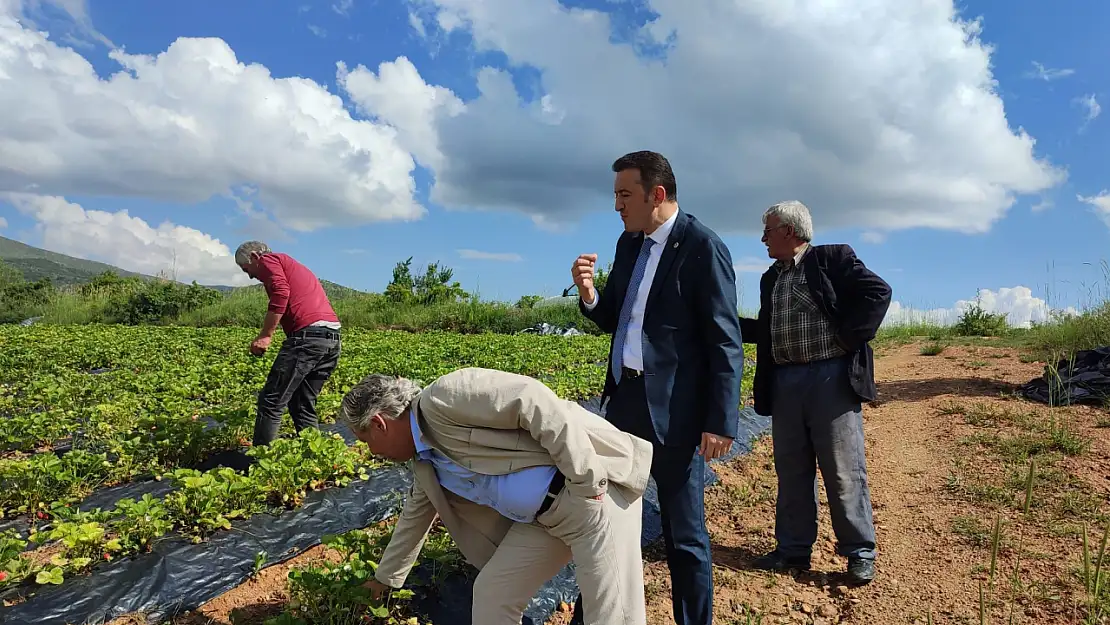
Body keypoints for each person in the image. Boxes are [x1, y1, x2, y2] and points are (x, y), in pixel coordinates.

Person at [571, 150, 745, 625]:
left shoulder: (702, 246)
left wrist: (719, 420)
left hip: (675, 414)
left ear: (658, 194)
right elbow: (612, 317)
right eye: (615, 196)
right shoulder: (629, 243)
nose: (617, 206)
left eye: (625, 195)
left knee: (683, 535)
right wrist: (588, 293)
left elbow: (724, 342)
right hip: (624, 404)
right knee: (604, 522)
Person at [340, 368, 652, 625]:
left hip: (591, 494)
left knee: (613, 617)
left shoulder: (444, 398)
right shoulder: (424, 462)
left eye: (366, 440)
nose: (373, 453)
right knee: (493, 594)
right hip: (544, 520)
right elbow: (414, 519)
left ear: (380, 424)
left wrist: (587, 482)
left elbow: (533, 400)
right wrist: (384, 580)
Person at [738, 200, 890, 586]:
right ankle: (793, 550)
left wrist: (845, 339)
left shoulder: (831, 259)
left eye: (768, 231)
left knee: (842, 470)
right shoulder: (771, 278)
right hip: (786, 381)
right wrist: (723, 323)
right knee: (791, 470)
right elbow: (767, 331)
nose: (763, 239)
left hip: (831, 379)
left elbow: (877, 293)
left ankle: (859, 552)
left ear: (790, 231)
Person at [234, 241, 342, 447]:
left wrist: (266, 335)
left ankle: (261, 464)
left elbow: (281, 292)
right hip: (331, 338)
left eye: (246, 269)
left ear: (256, 257)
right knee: (301, 402)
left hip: (308, 338)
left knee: (271, 401)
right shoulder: (293, 265)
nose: (249, 276)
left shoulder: (269, 260)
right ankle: (315, 456)